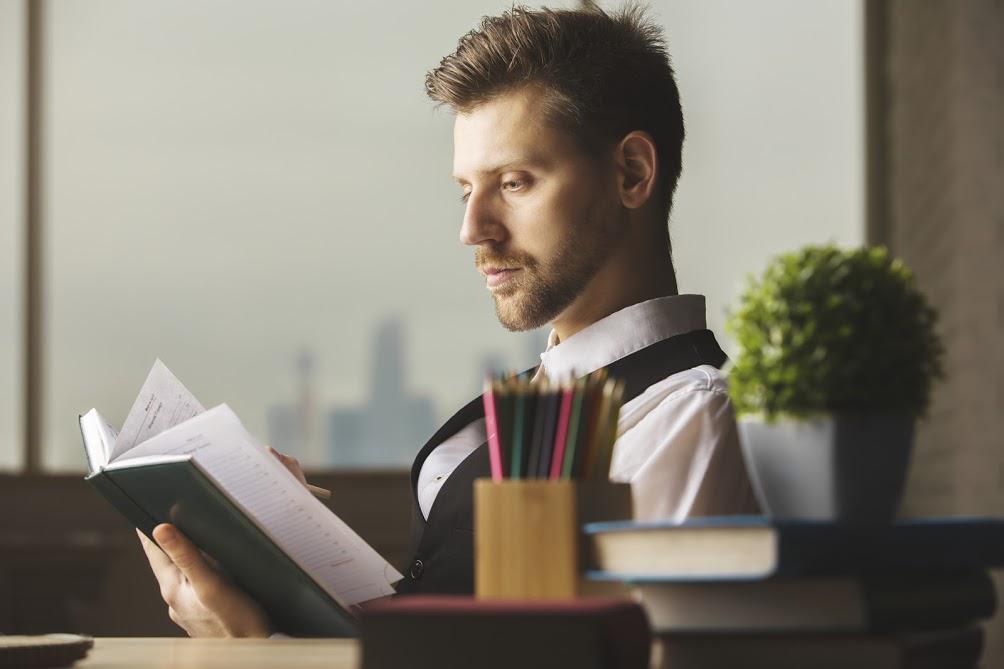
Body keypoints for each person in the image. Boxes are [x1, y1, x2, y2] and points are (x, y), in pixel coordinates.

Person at [139, 4, 758, 637]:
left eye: (514, 183)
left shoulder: (688, 417)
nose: (472, 229)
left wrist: (260, 649)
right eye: (467, 191)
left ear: (632, 172)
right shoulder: (540, 396)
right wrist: (292, 553)